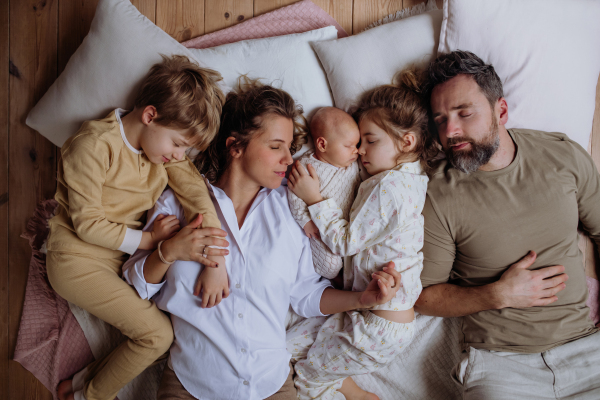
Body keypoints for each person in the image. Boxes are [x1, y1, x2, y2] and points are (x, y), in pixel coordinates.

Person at [122, 80, 402, 400]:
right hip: (191, 385)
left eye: (289, 148)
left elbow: (305, 295)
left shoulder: (291, 211)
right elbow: (137, 284)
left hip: (271, 385)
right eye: (275, 146)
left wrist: (361, 300)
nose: (289, 159)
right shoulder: (178, 202)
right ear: (235, 146)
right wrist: (168, 252)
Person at [415, 50, 600, 399]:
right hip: (502, 366)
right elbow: (423, 297)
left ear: (501, 111)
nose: (450, 131)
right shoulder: (437, 194)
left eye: (464, 113)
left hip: (588, 352)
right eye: (440, 120)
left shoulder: (562, 155)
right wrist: (496, 295)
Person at [49, 55, 228, 400]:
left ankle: (81, 383)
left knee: (162, 336)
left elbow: (194, 190)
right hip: (75, 259)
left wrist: (215, 252)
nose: (180, 156)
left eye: (186, 149)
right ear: (149, 115)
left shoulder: (159, 149)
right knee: (157, 336)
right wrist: (149, 240)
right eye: (178, 144)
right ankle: (89, 396)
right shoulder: (94, 145)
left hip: (116, 260)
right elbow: (87, 225)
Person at [286, 68, 438, 400]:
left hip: (378, 327)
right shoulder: (405, 177)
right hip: (363, 313)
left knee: (306, 381)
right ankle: (351, 388)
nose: (361, 152)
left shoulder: (391, 188)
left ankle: (353, 393)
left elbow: (344, 242)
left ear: (407, 141)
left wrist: (313, 197)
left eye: (370, 141)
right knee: (288, 345)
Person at [287, 107, 362, 279]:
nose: (356, 151)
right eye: (349, 146)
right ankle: (335, 280)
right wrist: (305, 221)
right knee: (331, 265)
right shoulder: (307, 166)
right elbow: (295, 195)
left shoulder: (352, 164)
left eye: (356, 145)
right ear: (322, 144)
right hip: (320, 229)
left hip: (348, 229)